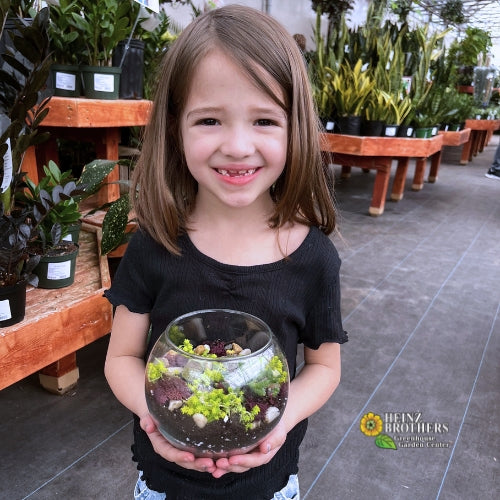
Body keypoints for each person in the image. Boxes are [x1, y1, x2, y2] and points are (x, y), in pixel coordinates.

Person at [103, 5, 348, 500]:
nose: (237, 146)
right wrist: (154, 417)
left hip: (269, 483)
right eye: (210, 119)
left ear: (294, 127)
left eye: (263, 120)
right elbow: (122, 357)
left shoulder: (313, 259)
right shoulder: (155, 244)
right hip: (163, 483)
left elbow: (324, 367)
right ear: (176, 128)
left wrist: (281, 421)